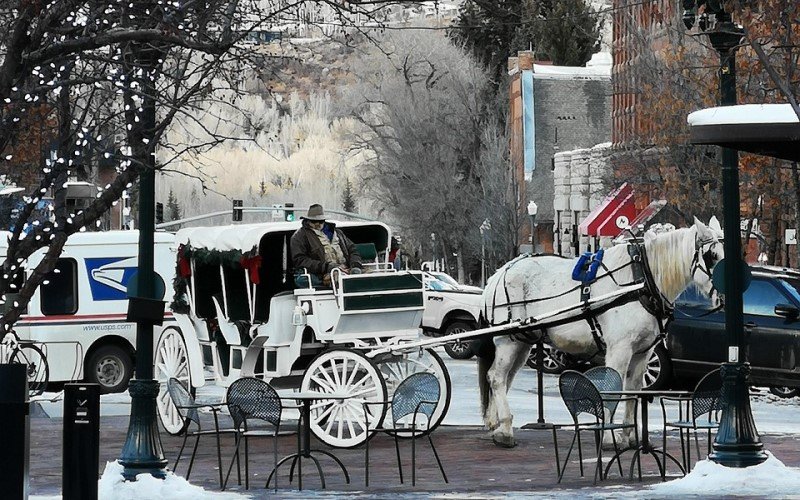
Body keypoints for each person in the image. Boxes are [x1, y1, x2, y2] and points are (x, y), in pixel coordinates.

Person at [290, 204, 363, 287]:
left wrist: (355, 265)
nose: (317, 224)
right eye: (314, 221)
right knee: (303, 280)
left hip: (346, 270)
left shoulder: (338, 233)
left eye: (320, 221)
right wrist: (327, 267)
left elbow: (352, 249)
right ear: (308, 221)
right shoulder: (299, 236)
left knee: (369, 276)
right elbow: (300, 260)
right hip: (320, 274)